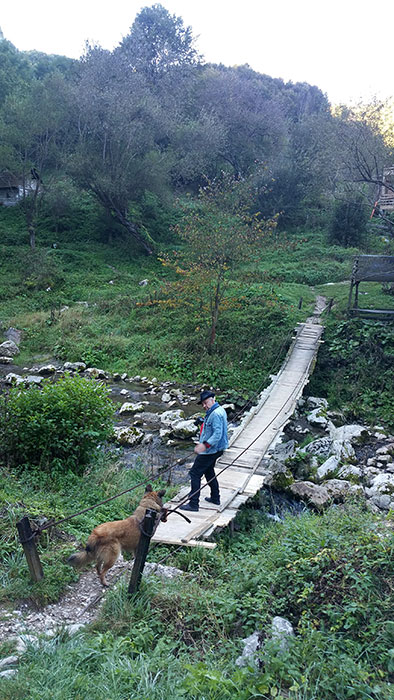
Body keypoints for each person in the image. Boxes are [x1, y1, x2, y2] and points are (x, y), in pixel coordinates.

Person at [180, 390, 228, 512]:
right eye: (203, 404)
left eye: (206, 402)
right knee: (209, 471)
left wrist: (204, 446)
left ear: (213, 399)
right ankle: (215, 497)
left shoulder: (215, 414)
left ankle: (193, 503)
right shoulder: (219, 410)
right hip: (218, 449)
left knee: (195, 473)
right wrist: (202, 421)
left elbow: (217, 434)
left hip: (210, 450)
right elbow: (214, 428)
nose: (204, 406)